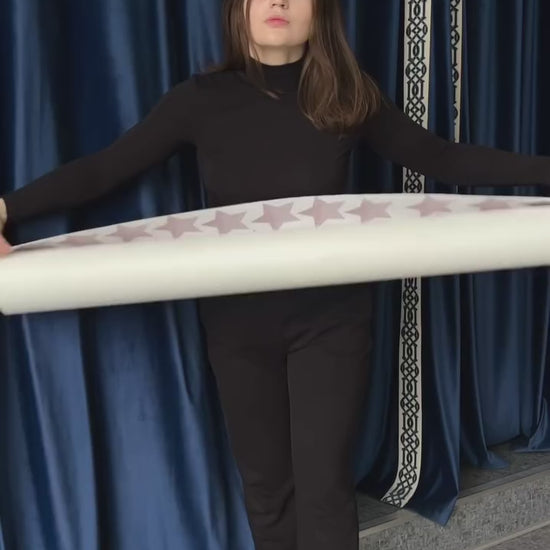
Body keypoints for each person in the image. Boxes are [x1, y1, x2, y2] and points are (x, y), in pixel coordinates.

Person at [1, 0, 549, 548]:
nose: (279, 2)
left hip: (332, 324)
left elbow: (444, 159)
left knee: (324, 490)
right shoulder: (200, 100)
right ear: (238, 10)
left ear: (321, 13)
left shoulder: (347, 94)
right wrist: (6, 209)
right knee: (267, 493)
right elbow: (104, 169)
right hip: (237, 328)